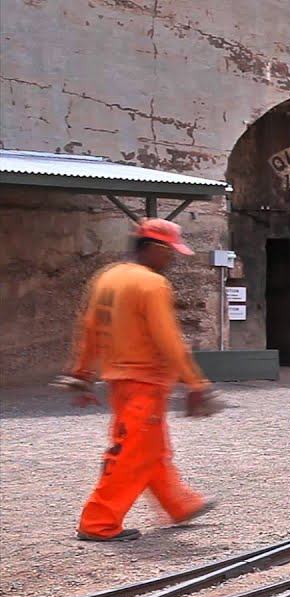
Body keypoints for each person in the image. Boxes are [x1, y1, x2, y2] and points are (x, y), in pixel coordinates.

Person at [55, 218, 219, 542]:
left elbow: (89, 327)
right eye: (170, 251)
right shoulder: (152, 285)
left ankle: (179, 503)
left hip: (120, 380)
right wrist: (197, 384)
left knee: (151, 449)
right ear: (155, 248)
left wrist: (82, 373)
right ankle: (98, 523)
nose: (171, 259)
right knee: (131, 453)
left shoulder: (108, 277)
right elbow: (168, 339)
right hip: (146, 380)